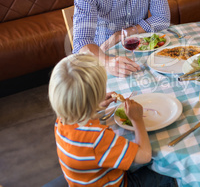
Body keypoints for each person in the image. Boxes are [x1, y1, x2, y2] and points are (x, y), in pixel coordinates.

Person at [48, 54, 176, 187]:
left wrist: (96, 106)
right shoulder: (97, 138)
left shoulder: (61, 121)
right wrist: (137, 120)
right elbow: (144, 156)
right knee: (168, 173)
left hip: (83, 181)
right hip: (119, 184)